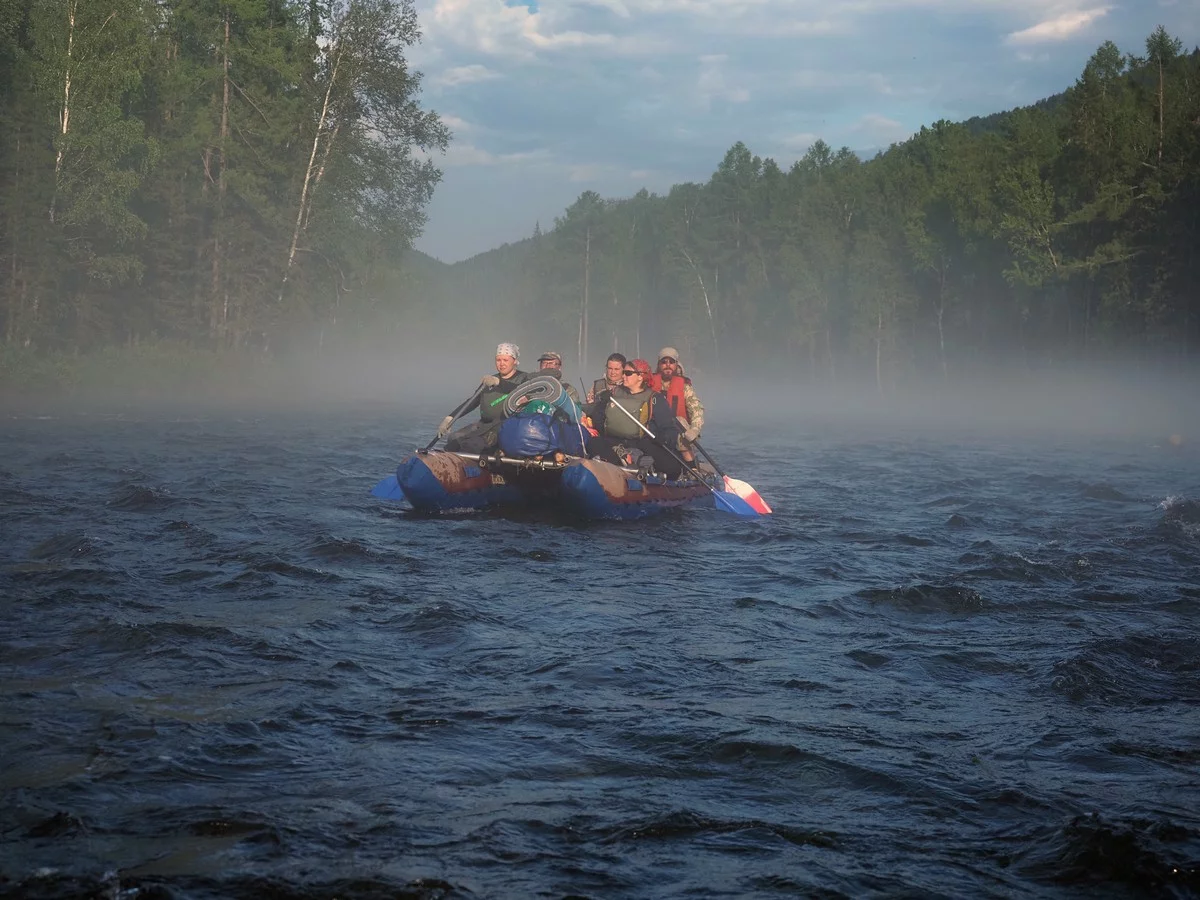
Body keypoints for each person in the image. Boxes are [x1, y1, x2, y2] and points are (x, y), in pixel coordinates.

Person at [584, 358, 683, 478]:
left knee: (672, 467)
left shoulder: (655, 399)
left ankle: (641, 462)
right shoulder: (614, 393)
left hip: (643, 442)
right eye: (624, 372)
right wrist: (600, 407)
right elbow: (598, 418)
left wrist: (664, 438)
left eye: (628, 373)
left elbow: (669, 427)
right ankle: (620, 460)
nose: (623, 376)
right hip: (615, 441)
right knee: (594, 443)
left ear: (641, 377)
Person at [439, 342, 530, 453]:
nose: (501, 364)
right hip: (484, 425)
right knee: (453, 438)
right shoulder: (489, 380)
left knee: (471, 445)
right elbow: (472, 401)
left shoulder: (524, 378)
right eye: (498, 360)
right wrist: (451, 417)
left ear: (515, 361)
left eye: (505, 360)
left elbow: (521, 390)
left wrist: (499, 382)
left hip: (507, 426)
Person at [655, 346, 704, 461]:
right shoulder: (650, 383)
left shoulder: (685, 387)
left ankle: (691, 467)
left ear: (676, 365)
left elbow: (696, 409)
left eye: (671, 362)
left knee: (680, 421)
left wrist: (695, 429)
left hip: (678, 432)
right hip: (656, 430)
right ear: (659, 365)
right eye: (664, 362)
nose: (667, 365)